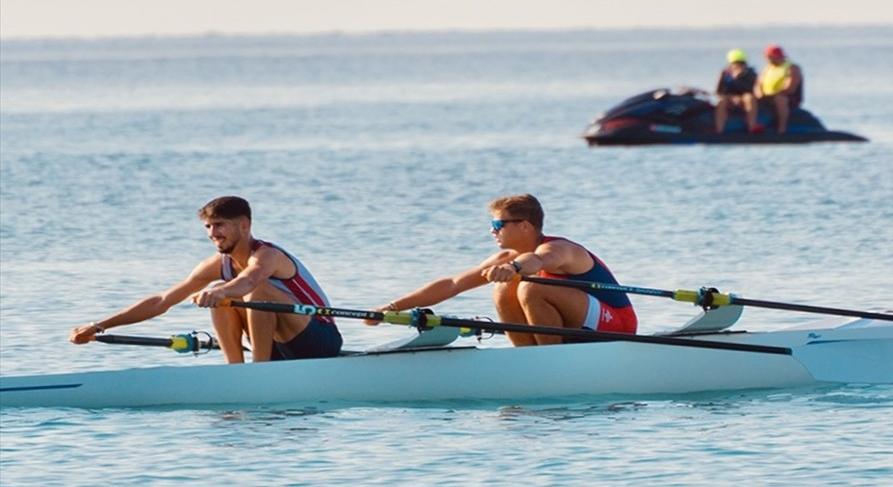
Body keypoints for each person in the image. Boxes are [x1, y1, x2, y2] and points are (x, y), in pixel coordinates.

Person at [68, 196, 342, 363]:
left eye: (219, 225)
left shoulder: (268, 256)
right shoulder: (216, 265)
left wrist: (222, 292)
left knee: (249, 290)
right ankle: (235, 371)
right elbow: (162, 301)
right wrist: (99, 325)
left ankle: (259, 372)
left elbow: (247, 282)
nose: (212, 233)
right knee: (220, 289)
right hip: (278, 344)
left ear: (244, 225)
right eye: (208, 226)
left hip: (320, 339)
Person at [369, 194, 637, 345]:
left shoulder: (560, 249)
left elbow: (537, 261)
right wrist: (391, 308)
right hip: (580, 325)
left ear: (524, 226)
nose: (492, 231)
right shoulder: (504, 258)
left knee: (532, 287)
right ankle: (528, 358)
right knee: (503, 289)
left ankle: (548, 361)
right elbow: (452, 284)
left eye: (498, 225)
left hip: (617, 325)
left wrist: (514, 267)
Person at [755, 44, 804, 134]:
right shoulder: (767, 68)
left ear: (776, 56)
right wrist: (759, 94)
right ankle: (754, 126)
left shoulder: (791, 68)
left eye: (769, 57)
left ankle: (782, 128)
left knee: (780, 99)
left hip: (788, 97)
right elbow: (758, 84)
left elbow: (790, 88)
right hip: (767, 96)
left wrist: (776, 93)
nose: (767, 60)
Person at [713, 48, 761, 133]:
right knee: (721, 102)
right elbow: (719, 91)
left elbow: (754, 90)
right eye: (736, 63)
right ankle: (719, 130)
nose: (739, 66)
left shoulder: (751, 74)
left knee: (749, 98)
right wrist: (732, 97)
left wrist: (738, 78)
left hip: (745, 98)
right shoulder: (725, 74)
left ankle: (752, 127)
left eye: (741, 63)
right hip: (729, 98)